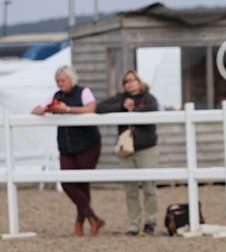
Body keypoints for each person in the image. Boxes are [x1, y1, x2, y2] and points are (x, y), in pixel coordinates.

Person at [31, 65, 104, 235]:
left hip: (88, 144)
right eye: (58, 80)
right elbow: (36, 110)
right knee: (66, 182)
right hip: (66, 146)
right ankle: (93, 218)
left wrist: (67, 110)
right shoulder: (55, 96)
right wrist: (46, 109)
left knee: (82, 183)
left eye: (63, 80)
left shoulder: (84, 91)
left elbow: (91, 108)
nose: (60, 83)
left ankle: (80, 224)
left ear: (71, 79)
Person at [95, 70, 160, 236]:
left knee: (149, 188)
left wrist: (133, 112)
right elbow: (100, 108)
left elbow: (153, 108)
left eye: (132, 80)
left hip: (146, 148)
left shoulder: (148, 97)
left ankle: (150, 222)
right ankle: (133, 224)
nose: (130, 84)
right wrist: (121, 107)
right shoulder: (120, 98)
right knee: (130, 189)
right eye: (126, 82)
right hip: (126, 150)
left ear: (139, 81)